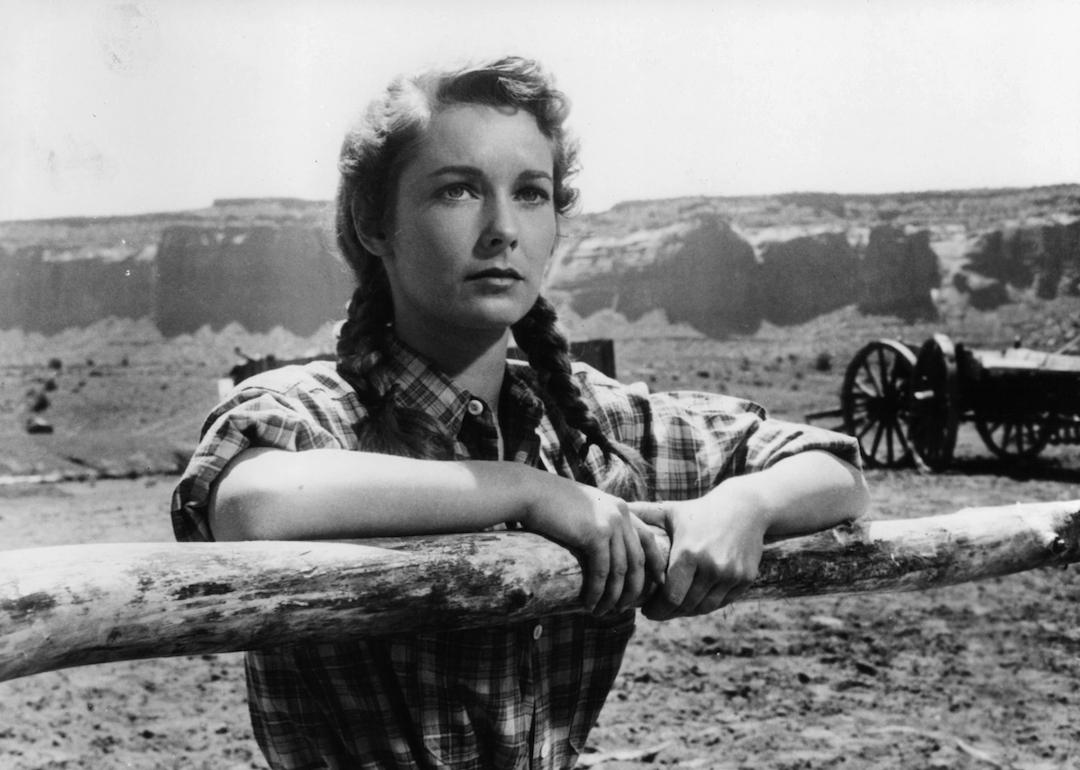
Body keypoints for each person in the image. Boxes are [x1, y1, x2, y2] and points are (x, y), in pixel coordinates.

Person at [172, 55, 869, 770]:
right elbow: (251, 505)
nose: (503, 228)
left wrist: (746, 503)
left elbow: (836, 469)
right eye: (458, 190)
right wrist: (531, 492)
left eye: (531, 194)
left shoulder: (590, 425)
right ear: (375, 223)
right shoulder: (315, 412)